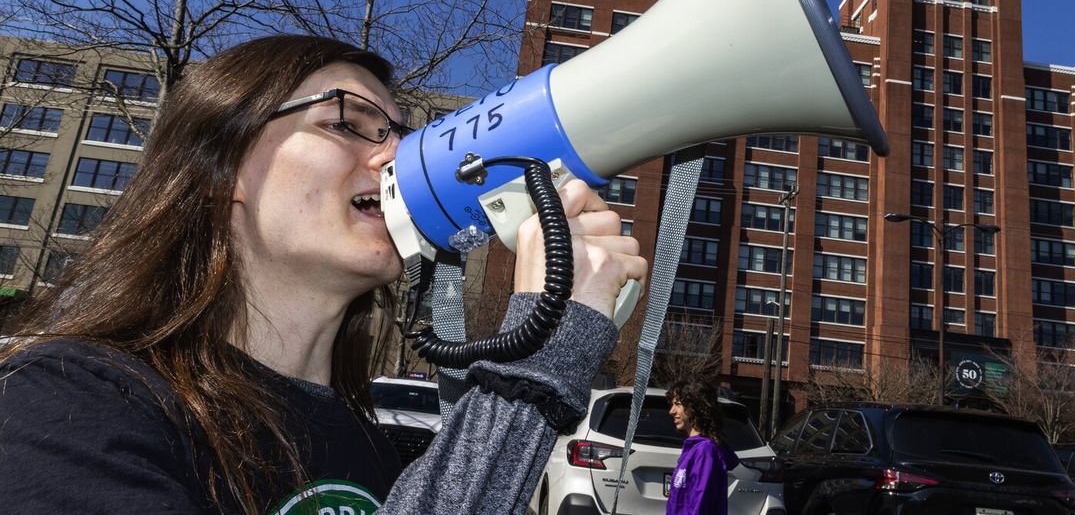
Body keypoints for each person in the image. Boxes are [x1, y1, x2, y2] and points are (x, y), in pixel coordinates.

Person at [0, 34, 647, 514]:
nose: (398, 155)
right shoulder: (66, 405)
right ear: (218, 167)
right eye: (348, 121)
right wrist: (532, 367)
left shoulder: (357, 441)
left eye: (400, 132)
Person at [665, 379, 739, 515]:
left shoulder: (705, 451)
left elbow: (702, 503)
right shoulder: (693, 448)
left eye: (677, 404)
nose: (671, 411)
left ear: (695, 407)